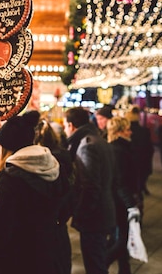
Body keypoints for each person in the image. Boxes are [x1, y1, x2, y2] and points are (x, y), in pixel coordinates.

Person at [0, 110, 70, 274]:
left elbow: (1, 226)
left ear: (6, 147)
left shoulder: (11, 177)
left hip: (21, 258)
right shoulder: (54, 164)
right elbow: (67, 205)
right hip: (53, 251)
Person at [63, 107, 116, 274]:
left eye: (65, 125)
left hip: (94, 217)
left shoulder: (86, 145)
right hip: (102, 211)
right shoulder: (97, 139)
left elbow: (91, 186)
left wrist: (81, 214)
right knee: (97, 262)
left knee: (95, 265)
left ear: (71, 125)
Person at [34, 119, 74, 274]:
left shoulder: (39, 163)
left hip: (46, 225)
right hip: (60, 222)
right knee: (62, 262)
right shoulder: (64, 156)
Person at [106, 116, 140, 274]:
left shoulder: (117, 148)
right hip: (119, 203)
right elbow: (120, 182)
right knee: (121, 240)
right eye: (127, 129)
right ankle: (101, 265)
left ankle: (124, 270)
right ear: (119, 132)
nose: (130, 132)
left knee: (120, 238)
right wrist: (131, 205)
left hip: (116, 201)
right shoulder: (118, 150)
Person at [126, 106, 153, 196]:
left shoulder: (127, 131)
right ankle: (142, 188)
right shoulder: (144, 131)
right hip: (142, 158)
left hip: (132, 159)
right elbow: (149, 147)